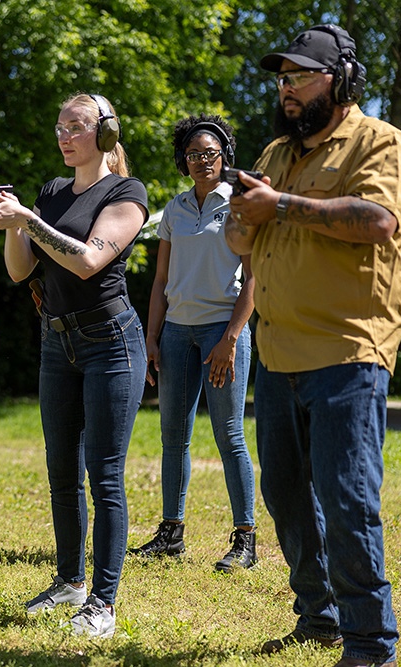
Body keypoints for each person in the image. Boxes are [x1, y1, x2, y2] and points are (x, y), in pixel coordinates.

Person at [224, 24, 401, 667]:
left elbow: (377, 221)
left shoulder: (379, 142)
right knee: (282, 492)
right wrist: (240, 214)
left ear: (339, 79)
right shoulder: (278, 153)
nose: (287, 89)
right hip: (278, 353)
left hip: (348, 350)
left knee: (347, 497)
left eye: (300, 76)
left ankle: (370, 642)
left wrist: (277, 206)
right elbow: (240, 243)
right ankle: (319, 615)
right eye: (281, 79)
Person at [0, 93, 148, 637]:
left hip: (111, 342)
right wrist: (13, 227)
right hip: (57, 341)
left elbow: (88, 261)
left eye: (76, 126)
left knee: (103, 475)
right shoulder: (53, 192)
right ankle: (68, 582)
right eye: (60, 126)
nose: (64, 135)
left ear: (103, 133)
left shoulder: (127, 193)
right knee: (61, 474)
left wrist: (28, 219)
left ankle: (103, 602)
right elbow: (17, 273)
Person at [130, 115, 258, 572]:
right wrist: (151, 337)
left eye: (210, 153)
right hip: (177, 333)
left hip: (222, 331)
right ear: (182, 161)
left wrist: (230, 338)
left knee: (230, 435)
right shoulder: (176, 211)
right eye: (193, 154)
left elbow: (253, 281)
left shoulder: (240, 205)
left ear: (224, 157)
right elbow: (161, 278)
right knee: (172, 438)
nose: (202, 161)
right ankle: (171, 533)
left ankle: (246, 540)